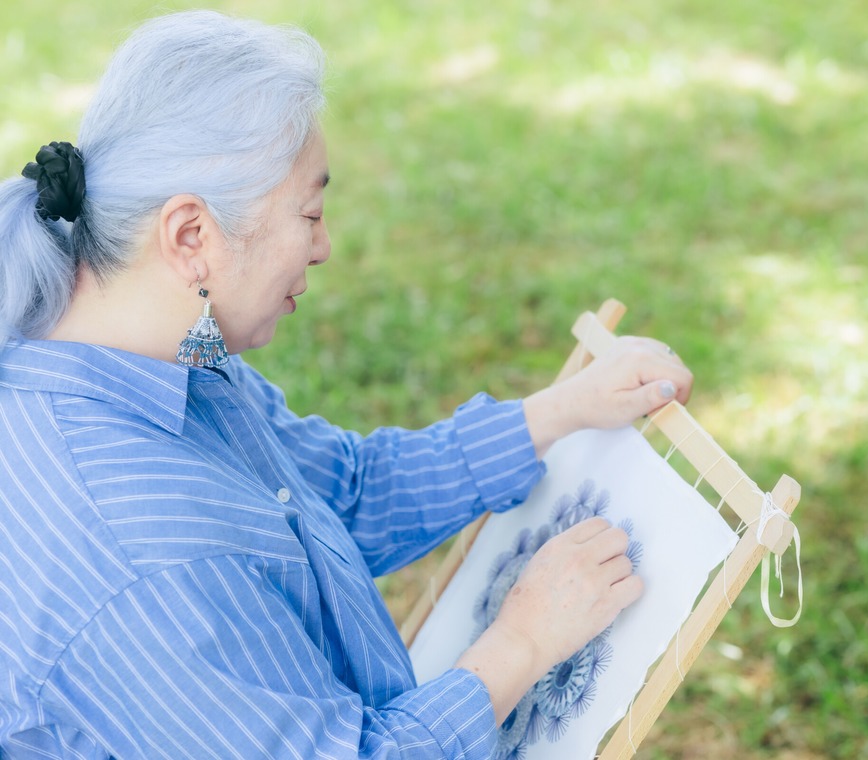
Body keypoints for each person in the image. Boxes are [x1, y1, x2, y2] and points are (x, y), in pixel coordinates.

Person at [0, 10, 692, 760]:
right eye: (310, 213)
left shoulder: (157, 356)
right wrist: (522, 641)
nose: (324, 246)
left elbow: (342, 495)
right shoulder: (138, 554)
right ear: (191, 235)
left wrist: (559, 411)